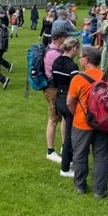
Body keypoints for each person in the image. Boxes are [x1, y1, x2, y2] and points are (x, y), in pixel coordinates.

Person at [66, 46, 108, 198]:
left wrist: (77, 113)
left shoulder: (78, 79)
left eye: (80, 57)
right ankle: (99, 190)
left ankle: (80, 186)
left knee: (80, 155)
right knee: (101, 155)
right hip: (102, 122)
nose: (79, 59)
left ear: (86, 59)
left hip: (82, 123)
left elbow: (69, 102)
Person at [51, 36, 80, 177]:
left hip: (58, 98)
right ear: (74, 48)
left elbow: (55, 81)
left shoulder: (56, 62)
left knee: (67, 129)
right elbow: (77, 86)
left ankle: (71, 158)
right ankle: (65, 168)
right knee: (69, 135)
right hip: (68, 100)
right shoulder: (72, 66)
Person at [43, 28, 68, 164]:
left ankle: (64, 146)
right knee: (53, 119)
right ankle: (50, 151)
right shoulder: (54, 54)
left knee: (63, 117)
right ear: (60, 39)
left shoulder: (53, 50)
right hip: (52, 89)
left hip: (56, 88)